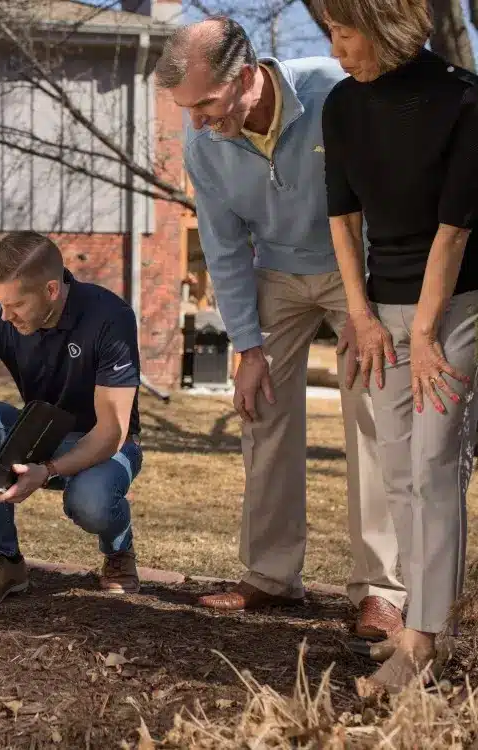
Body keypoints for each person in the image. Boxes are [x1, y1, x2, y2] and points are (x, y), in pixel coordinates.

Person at [153, 17, 406, 639]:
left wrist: (369, 307)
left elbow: (390, 197)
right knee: (260, 409)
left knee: (375, 417)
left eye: (207, 104)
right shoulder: (204, 145)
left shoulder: (332, 92)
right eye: (188, 110)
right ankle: (269, 577)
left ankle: (382, 590)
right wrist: (248, 347)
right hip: (281, 275)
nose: (199, 122)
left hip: (362, 271)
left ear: (245, 76)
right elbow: (224, 247)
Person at [315, 0, 478, 693]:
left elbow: (455, 232)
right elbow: (342, 220)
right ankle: (418, 621)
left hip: (459, 306)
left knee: (436, 459)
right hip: (383, 306)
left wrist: (423, 329)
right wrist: (362, 314)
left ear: (381, 29)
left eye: (343, 32)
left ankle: (423, 641)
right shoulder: (341, 107)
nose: (335, 47)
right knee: (400, 468)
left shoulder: (463, 103)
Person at [0, 231, 144, 604]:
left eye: (16, 304)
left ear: (52, 290)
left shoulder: (110, 317)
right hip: (41, 435)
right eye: (0, 304)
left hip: (106, 444)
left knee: (91, 503)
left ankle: (119, 550)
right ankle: (3, 560)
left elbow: (111, 431)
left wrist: (49, 470)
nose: (5, 315)